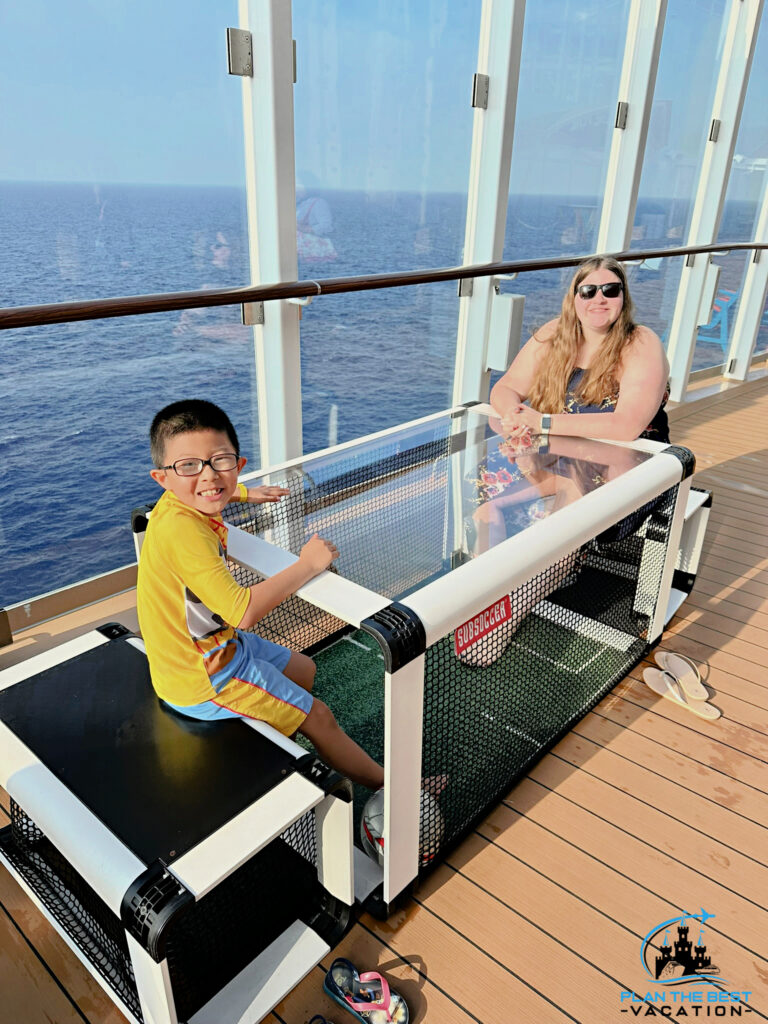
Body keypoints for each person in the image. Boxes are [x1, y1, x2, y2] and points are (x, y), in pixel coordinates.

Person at [136, 399, 383, 790]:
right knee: (320, 717)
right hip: (204, 676)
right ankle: (392, 788)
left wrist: (245, 495)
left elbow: (209, 486)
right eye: (188, 465)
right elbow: (242, 611)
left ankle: (280, 734)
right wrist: (308, 564)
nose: (208, 476)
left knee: (306, 670)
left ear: (239, 465)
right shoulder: (184, 533)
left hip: (216, 646)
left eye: (220, 461)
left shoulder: (176, 505)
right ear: (162, 477)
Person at [490, 256, 670, 444]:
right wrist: (514, 416)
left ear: (623, 298)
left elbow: (627, 426)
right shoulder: (555, 333)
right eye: (588, 292)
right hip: (560, 450)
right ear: (573, 298)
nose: (599, 299)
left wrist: (541, 423)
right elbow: (507, 387)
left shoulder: (640, 342)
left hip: (627, 458)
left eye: (611, 290)